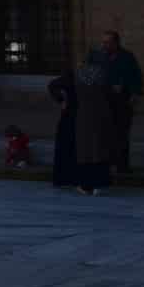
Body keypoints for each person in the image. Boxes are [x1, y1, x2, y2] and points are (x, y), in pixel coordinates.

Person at [48, 60, 114, 195]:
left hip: (81, 119)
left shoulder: (79, 76)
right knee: (93, 151)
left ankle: (83, 183)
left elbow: (54, 86)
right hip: (90, 119)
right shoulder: (100, 77)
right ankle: (93, 183)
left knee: (85, 152)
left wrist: (63, 100)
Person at [89, 29, 144, 174]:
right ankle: (106, 164)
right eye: (103, 42)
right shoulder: (97, 56)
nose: (104, 45)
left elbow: (136, 77)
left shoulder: (127, 57)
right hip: (103, 102)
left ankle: (122, 166)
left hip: (122, 102)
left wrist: (133, 92)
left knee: (121, 134)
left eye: (108, 42)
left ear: (116, 43)